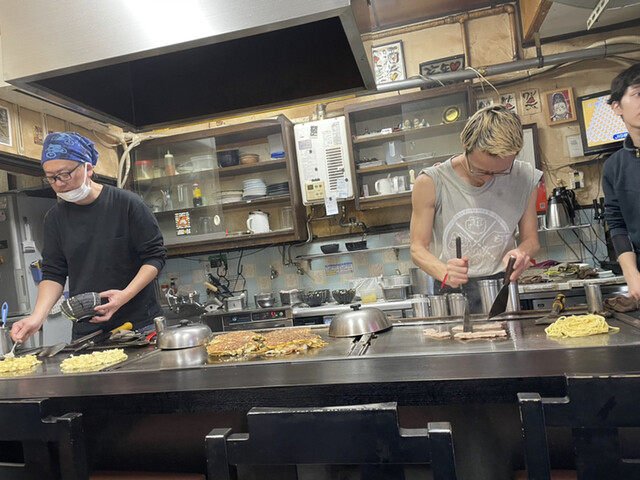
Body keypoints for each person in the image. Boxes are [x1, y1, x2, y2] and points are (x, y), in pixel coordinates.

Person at [11, 132, 166, 342]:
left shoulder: (127, 204)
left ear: (88, 168)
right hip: (87, 331)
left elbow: (155, 257)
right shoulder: (55, 218)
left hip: (139, 325)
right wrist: (37, 317)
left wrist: (124, 296)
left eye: (64, 174)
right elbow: (54, 273)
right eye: (51, 177)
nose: (58, 183)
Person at [410, 105, 541, 312]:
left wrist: (523, 252)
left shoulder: (525, 177)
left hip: (503, 283)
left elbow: (531, 239)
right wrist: (445, 272)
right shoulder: (431, 182)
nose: (488, 179)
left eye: (500, 172)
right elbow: (417, 248)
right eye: (480, 170)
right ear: (465, 145)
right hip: (452, 287)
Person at [603, 63, 640, 299]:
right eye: (638, 94)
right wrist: (632, 274)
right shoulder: (613, 167)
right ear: (617, 107)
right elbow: (617, 224)